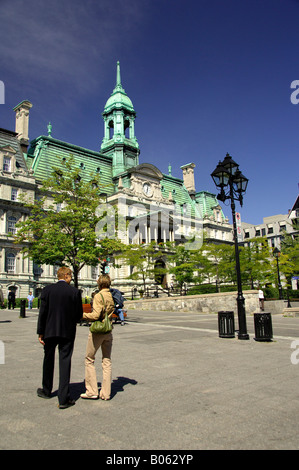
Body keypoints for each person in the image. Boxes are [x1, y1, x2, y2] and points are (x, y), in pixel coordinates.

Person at [36, 266, 83, 409]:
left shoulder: (47, 290)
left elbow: (42, 313)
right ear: (67, 276)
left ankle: (46, 390)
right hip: (67, 332)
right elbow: (78, 315)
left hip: (49, 331)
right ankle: (63, 398)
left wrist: (40, 332)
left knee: (48, 359)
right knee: (65, 362)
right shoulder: (74, 292)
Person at [80, 274, 114, 401]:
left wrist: (82, 315)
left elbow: (95, 315)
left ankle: (92, 391)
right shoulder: (110, 295)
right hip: (108, 330)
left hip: (98, 331)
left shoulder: (98, 296)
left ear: (99, 283)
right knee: (106, 360)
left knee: (89, 359)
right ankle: (106, 393)